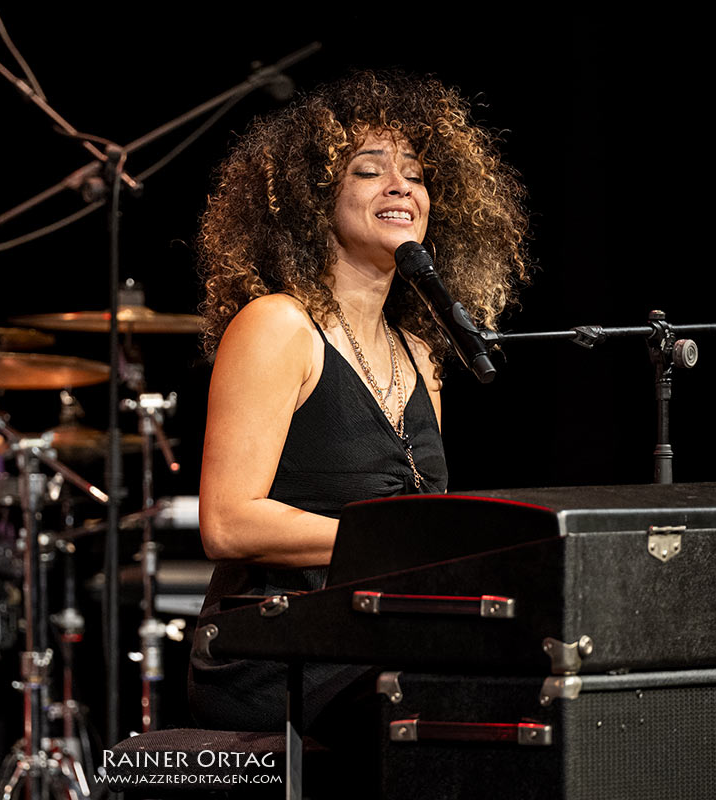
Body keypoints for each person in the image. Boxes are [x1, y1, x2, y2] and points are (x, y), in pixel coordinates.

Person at [188, 71, 530, 738]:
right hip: (277, 652)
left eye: (415, 175)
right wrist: (403, 542)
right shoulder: (278, 325)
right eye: (369, 171)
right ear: (313, 200)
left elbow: (422, 525)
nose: (401, 186)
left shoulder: (420, 356)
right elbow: (227, 524)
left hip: (378, 632)